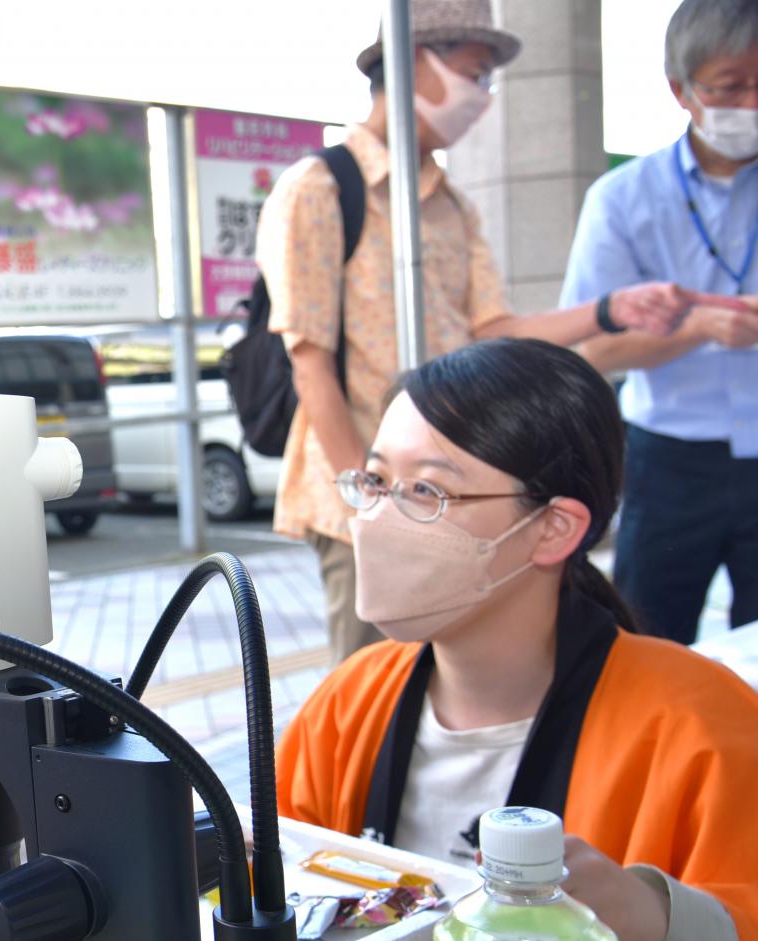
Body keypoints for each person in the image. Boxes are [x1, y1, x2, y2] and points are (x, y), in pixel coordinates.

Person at [276, 338, 757, 941]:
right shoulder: (350, 699)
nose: (377, 519)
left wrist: (651, 917)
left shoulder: (704, 723)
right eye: (376, 481)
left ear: (554, 527)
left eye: (427, 491)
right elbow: (281, 886)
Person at [256, 0, 713, 665]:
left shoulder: (452, 204)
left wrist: (610, 310)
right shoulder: (319, 188)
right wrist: (371, 505)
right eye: (474, 73)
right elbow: (311, 364)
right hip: (369, 491)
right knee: (375, 673)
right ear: (415, 63)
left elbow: (497, 330)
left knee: (462, 666)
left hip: (454, 494)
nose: (483, 96)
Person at [561, 0, 758, 644]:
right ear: (682, 89)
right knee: (647, 642)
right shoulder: (623, 199)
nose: (751, 103)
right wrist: (699, 329)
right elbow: (592, 350)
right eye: (731, 86)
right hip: (667, 457)